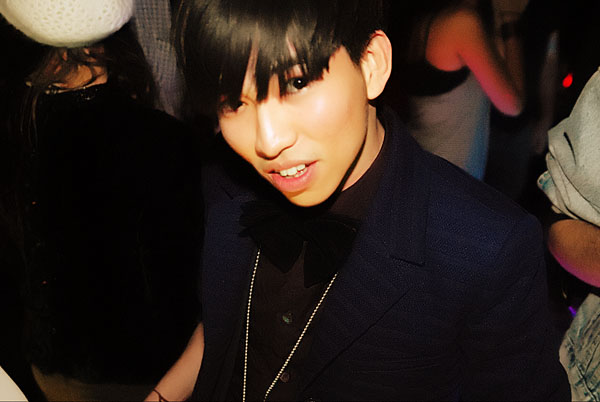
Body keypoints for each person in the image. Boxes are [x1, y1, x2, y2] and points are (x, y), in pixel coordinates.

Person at [147, 0, 569, 400]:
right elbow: (223, 325)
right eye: (234, 102)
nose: (268, 141)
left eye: (297, 83)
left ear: (372, 65)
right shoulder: (224, 181)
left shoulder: (486, 249)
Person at [0, 0, 203, 400]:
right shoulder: (161, 141)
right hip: (139, 376)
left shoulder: (19, 127)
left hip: (44, 366)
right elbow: (180, 282)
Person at [384, 0, 523, 179]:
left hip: (424, 167)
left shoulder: (425, 20)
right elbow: (512, 105)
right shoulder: (460, 22)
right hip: (445, 177)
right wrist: (511, 19)